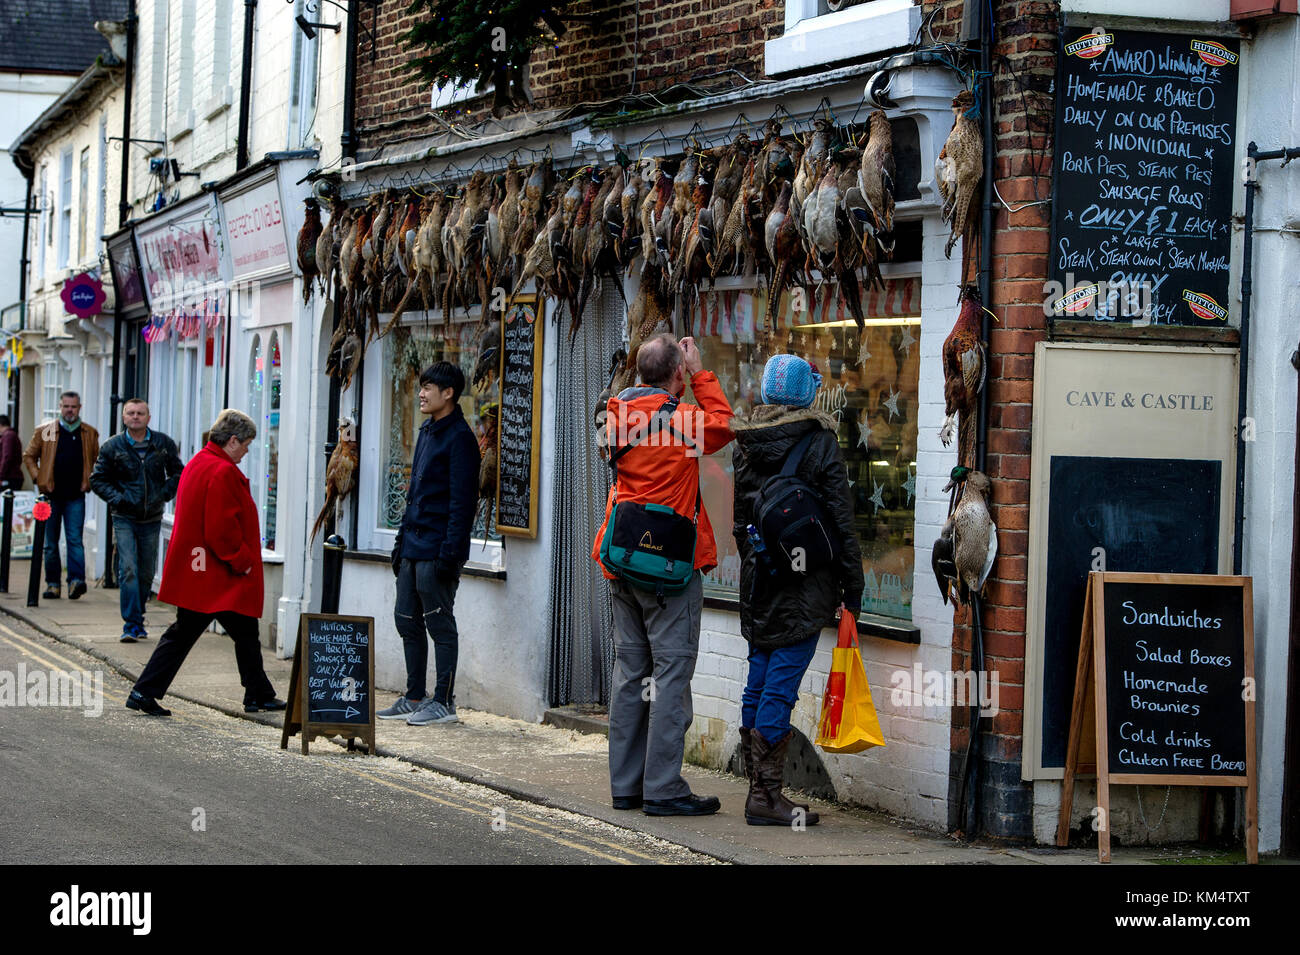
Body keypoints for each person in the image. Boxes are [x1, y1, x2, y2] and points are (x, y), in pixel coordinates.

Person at [592, 334, 735, 816]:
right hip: (669, 568)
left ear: (638, 374)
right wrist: (700, 374)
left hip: (622, 559)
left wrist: (669, 379)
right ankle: (663, 789)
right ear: (676, 374)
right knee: (671, 677)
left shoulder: (613, 418)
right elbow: (725, 426)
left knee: (630, 674)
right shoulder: (686, 422)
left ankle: (627, 787)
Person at [731, 354, 865, 826]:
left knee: (760, 680)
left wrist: (762, 563)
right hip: (805, 588)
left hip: (759, 582)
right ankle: (764, 797)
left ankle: (757, 789)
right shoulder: (820, 443)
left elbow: (739, 525)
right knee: (780, 690)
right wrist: (854, 586)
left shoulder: (745, 442)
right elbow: (842, 523)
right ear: (805, 394)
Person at [126, 410, 284, 717]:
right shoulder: (221, 470)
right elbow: (220, 529)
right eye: (246, 444)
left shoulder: (200, 462)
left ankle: (258, 693)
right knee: (192, 633)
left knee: (240, 631)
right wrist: (243, 562)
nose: (247, 451)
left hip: (201, 570)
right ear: (233, 439)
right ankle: (144, 691)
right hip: (217, 574)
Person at [378, 361, 480, 726]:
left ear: (448, 393)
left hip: (438, 549)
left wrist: (449, 555)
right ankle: (414, 695)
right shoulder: (427, 430)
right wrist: (399, 544)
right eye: (420, 387)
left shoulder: (461, 438)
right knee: (405, 619)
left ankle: (444, 702)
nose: (420, 393)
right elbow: (414, 493)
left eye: (428, 387)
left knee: (439, 623)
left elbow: (462, 504)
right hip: (412, 546)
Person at [90, 399, 184, 643]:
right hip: (124, 517)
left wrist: (163, 494)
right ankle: (131, 625)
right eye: (130, 413)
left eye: (140, 413)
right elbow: (97, 480)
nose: (135, 417)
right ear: (124, 418)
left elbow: (178, 473)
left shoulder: (163, 444)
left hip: (152, 517)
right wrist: (118, 499)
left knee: (145, 573)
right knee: (128, 569)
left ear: (148, 418)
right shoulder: (112, 446)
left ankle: (138, 615)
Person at [23, 391, 99, 599]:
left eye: (73, 407)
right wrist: (39, 478)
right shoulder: (47, 431)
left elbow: (97, 461)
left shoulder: (89, 433)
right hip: (50, 496)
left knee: (74, 539)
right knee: (50, 542)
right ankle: (53, 584)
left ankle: (76, 582)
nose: (69, 410)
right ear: (60, 407)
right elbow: (29, 456)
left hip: (76, 495)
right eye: (66, 406)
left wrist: (90, 479)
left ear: (79, 408)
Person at [0, 415, 23, 490]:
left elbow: (7, 457)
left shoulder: (8, 436)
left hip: (10, 477)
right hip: (12, 476)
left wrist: (1, 475)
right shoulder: (10, 435)